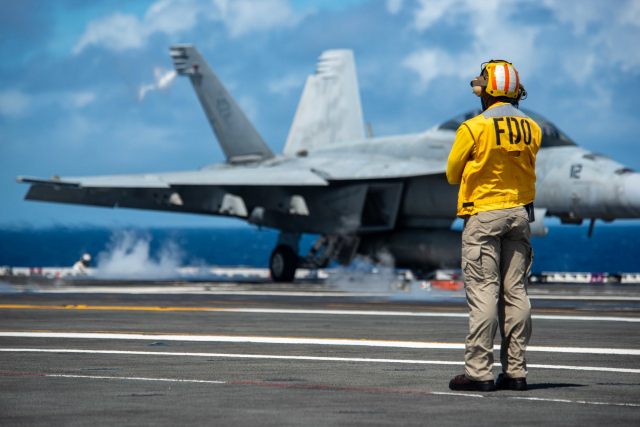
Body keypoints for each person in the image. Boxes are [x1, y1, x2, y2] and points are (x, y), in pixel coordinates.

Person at [445, 60, 542, 392]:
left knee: (484, 293)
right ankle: (516, 372)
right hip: (520, 216)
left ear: (485, 91)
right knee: (516, 293)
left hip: (484, 215)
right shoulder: (533, 127)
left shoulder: (473, 127)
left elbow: (452, 173)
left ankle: (479, 373)